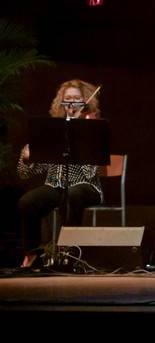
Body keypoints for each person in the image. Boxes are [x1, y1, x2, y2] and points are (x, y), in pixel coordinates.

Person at [17, 79, 103, 267]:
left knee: (73, 193)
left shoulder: (91, 127)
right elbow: (26, 173)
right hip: (55, 186)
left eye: (76, 98)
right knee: (27, 201)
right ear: (61, 101)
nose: (72, 102)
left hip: (85, 186)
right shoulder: (51, 129)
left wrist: (77, 136)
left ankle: (69, 252)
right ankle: (32, 254)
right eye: (68, 98)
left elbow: (89, 172)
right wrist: (28, 158)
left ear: (85, 101)